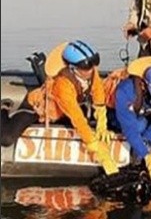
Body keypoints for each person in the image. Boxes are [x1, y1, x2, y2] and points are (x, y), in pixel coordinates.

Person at [0, 41, 118, 175]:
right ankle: (3, 108)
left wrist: (102, 123)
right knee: (6, 138)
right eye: (86, 67)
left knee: (93, 121)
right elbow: (76, 117)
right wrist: (94, 145)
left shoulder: (91, 72)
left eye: (92, 65)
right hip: (40, 108)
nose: (91, 70)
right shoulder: (62, 85)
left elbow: (98, 93)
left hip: (64, 111)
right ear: (73, 68)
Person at [104, 57, 151, 184]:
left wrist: (146, 142)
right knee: (139, 125)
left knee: (148, 128)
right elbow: (130, 129)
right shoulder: (125, 92)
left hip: (147, 114)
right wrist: (145, 155)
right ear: (144, 85)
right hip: (120, 116)